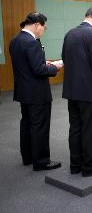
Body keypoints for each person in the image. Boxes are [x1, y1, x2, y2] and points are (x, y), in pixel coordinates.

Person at [9, 12, 63, 171]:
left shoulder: (15, 40)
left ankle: (28, 157)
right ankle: (41, 161)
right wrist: (55, 67)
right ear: (37, 24)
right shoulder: (32, 42)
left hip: (23, 91)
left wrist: (43, 62)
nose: (43, 30)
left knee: (26, 124)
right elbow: (39, 70)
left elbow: (27, 64)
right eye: (43, 27)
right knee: (39, 126)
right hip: (37, 93)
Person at [62, 5, 92, 177]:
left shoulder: (70, 33)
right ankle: (90, 167)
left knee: (75, 128)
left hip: (71, 90)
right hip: (89, 92)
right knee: (90, 130)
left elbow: (65, 58)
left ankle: (75, 165)